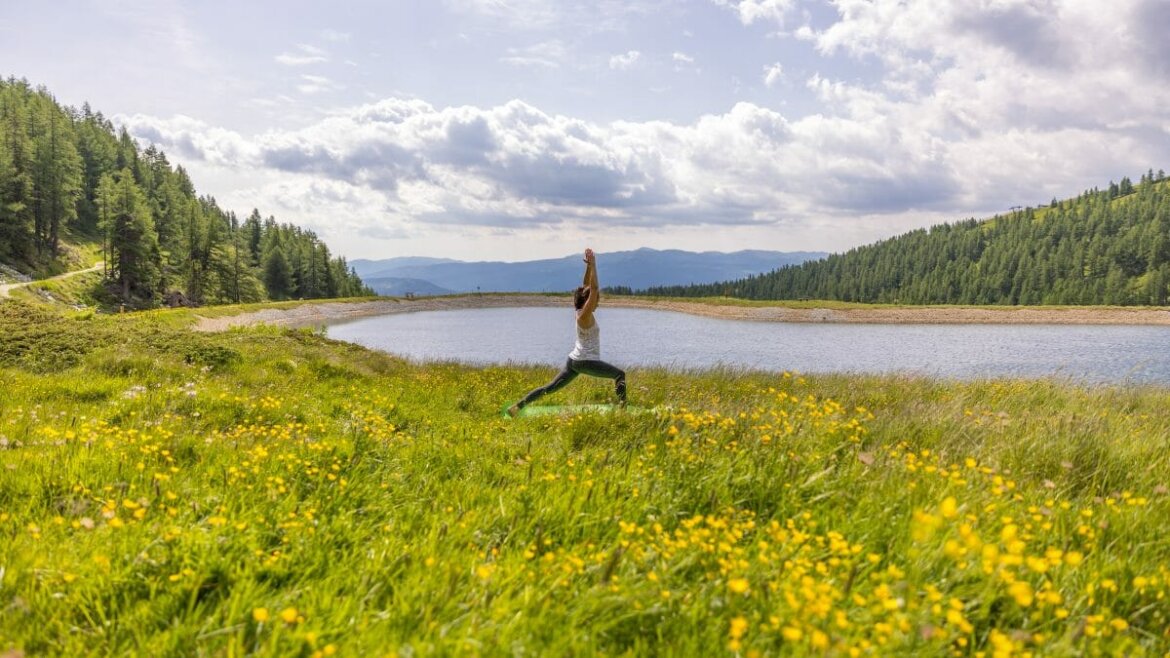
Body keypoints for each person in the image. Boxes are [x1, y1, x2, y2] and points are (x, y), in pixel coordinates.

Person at [507, 248, 626, 416]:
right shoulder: (584, 316)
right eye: (595, 301)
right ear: (587, 302)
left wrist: (588, 268)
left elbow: (587, 287)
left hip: (573, 360)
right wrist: (594, 264)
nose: (597, 303)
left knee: (549, 388)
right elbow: (593, 289)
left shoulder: (579, 311)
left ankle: (516, 408)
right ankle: (623, 412)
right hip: (585, 361)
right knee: (619, 374)